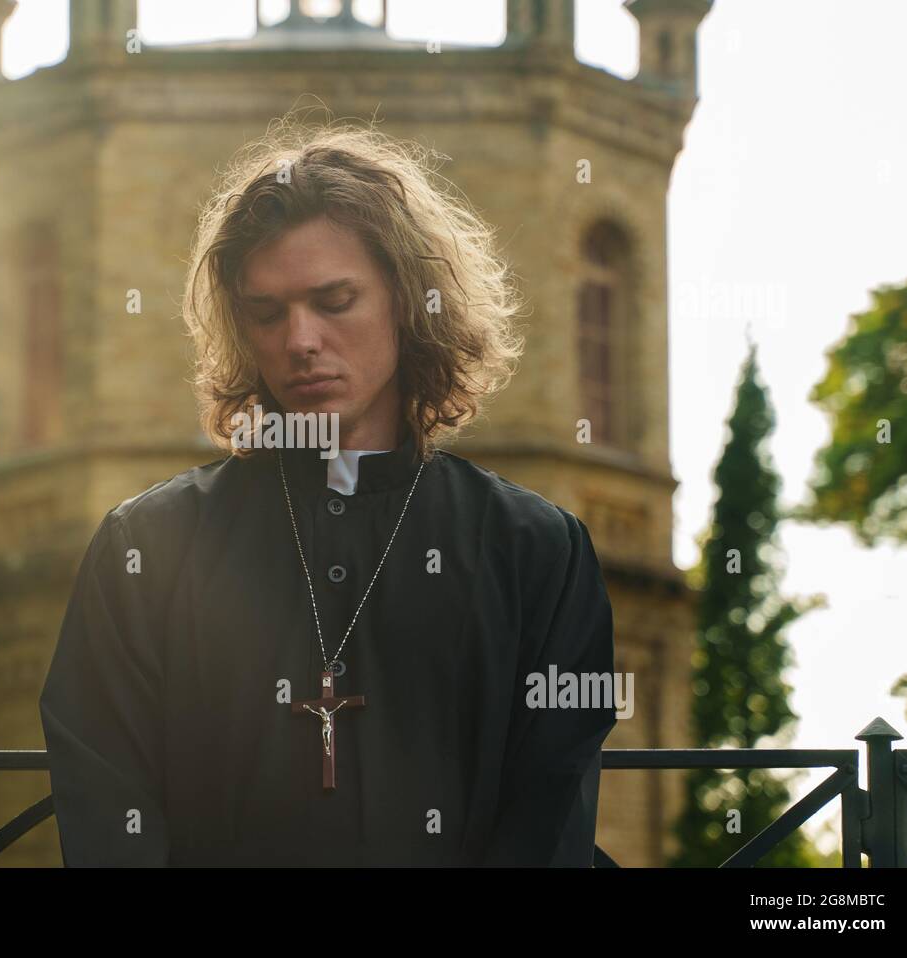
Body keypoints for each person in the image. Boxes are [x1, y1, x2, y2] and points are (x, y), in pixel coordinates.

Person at [38, 114, 617, 867]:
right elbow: (108, 805)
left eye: (334, 301)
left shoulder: (536, 551)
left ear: (409, 302)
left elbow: (549, 819)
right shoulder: (146, 547)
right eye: (267, 312)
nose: (299, 340)